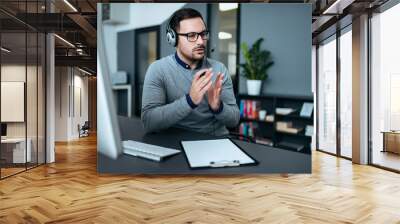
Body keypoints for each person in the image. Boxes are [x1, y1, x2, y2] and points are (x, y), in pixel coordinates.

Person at [141, 8, 239, 136]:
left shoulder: (219, 69)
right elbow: (149, 122)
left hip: (214, 139)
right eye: (191, 35)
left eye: (203, 34)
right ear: (173, 38)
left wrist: (218, 106)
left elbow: (234, 120)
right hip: (174, 142)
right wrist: (189, 101)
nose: (200, 41)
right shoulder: (158, 69)